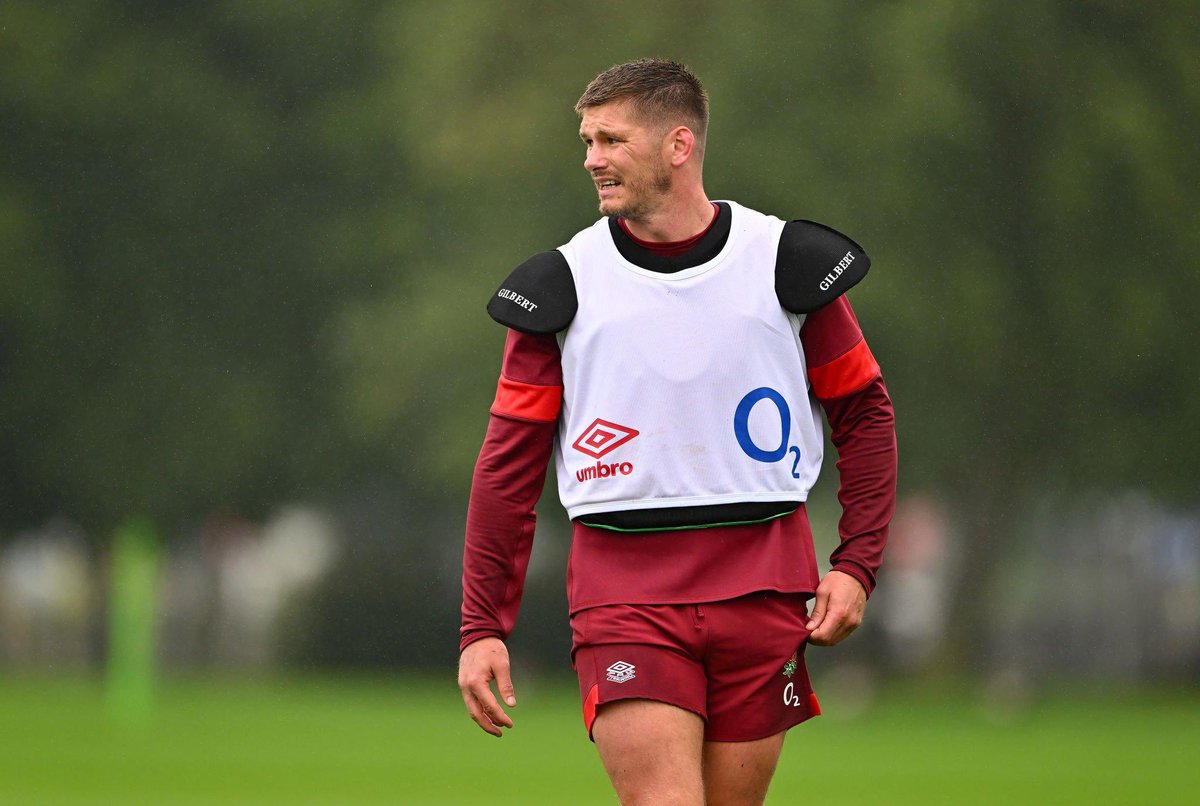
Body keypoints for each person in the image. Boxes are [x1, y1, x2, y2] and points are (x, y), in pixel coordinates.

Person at [458, 58, 897, 805]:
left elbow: (865, 413)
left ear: (678, 145)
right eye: (587, 140)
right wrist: (481, 626)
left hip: (765, 581)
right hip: (623, 591)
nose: (592, 158)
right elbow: (506, 469)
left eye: (611, 140)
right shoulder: (558, 286)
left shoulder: (785, 263)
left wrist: (856, 564)